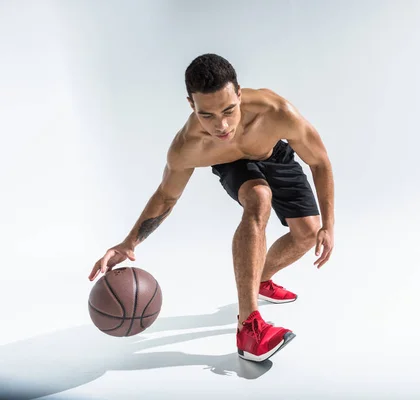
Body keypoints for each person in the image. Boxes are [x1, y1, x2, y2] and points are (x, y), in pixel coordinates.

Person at [88, 53, 335, 362]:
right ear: (192, 105)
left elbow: (319, 161)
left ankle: (259, 279)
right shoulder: (188, 146)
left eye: (229, 110)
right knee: (259, 198)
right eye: (207, 115)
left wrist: (328, 224)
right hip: (231, 164)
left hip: (272, 154)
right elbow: (166, 196)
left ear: (240, 94)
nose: (222, 125)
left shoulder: (276, 112)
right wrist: (129, 242)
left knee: (307, 235)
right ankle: (249, 327)